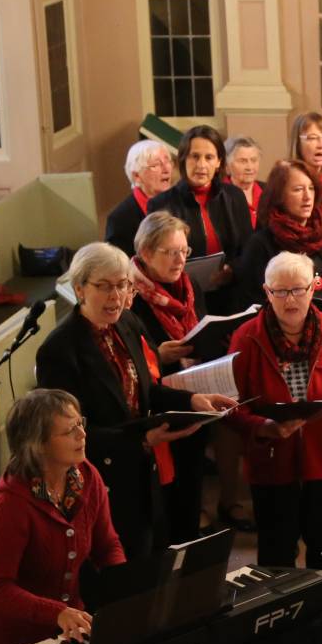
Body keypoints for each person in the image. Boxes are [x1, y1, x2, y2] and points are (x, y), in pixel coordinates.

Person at [36, 244, 234, 560]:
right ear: (80, 289)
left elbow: (147, 391)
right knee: (122, 572)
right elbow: (67, 434)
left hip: (144, 470)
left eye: (123, 285)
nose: (116, 296)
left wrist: (193, 399)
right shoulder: (59, 350)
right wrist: (142, 439)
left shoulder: (127, 324)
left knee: (154, 557)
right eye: (105, 286)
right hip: (102, 479)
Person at [225, 252, 322, 569]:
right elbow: (229, 406)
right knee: (276, 550)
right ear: (266, 292)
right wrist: (263, 426)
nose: (289, 299)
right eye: (280, 291)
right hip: (272, 462)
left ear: (312, 289)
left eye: (297, 289)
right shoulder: (247, 337)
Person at [0, 389, 124, 644]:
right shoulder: (9, 503)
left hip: (66, 633)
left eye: (80, 424)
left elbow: (107, 545)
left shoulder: (87, 476)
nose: (82, 435)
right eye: (68, 431)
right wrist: (57, 612)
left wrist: (126, 589)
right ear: (37, 444)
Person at [128, 211, 217, 543]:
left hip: (193, 397)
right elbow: (130, 356)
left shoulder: (190, 285)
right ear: (147, 253)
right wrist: (158, 354)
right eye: (171, 252)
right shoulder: (131, 296)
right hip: (158, 409)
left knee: (190, 490)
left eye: (185, 251)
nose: (181, 259)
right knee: (164, 503)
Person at [147, 125, 253, 311]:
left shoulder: (235, 196)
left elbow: (248, 249)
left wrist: (232, 270)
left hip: (233, 294)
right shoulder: (161, 204)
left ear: (219, 162)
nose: (201, 165)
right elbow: (155, 260)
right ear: (183, 159)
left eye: (209, 157)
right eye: (195, 156)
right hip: (184, 300)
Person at [234, 160, 322, 309]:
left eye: (311, 188)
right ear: (279, 196)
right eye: (298, 189)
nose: (307, 196)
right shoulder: (261, 243)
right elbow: (254, 303)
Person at [104, 140, 175, 255]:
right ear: (137, 176)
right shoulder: (119, 220)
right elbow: (118, 267)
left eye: (168, 162)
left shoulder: (181, 202)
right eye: (155, 165)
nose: (166, 170)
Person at [225, 135, 264, 229]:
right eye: (243, 161)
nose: (250, 167)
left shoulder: (269, 191)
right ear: (227, 165)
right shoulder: (219, 195)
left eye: (254, 160)